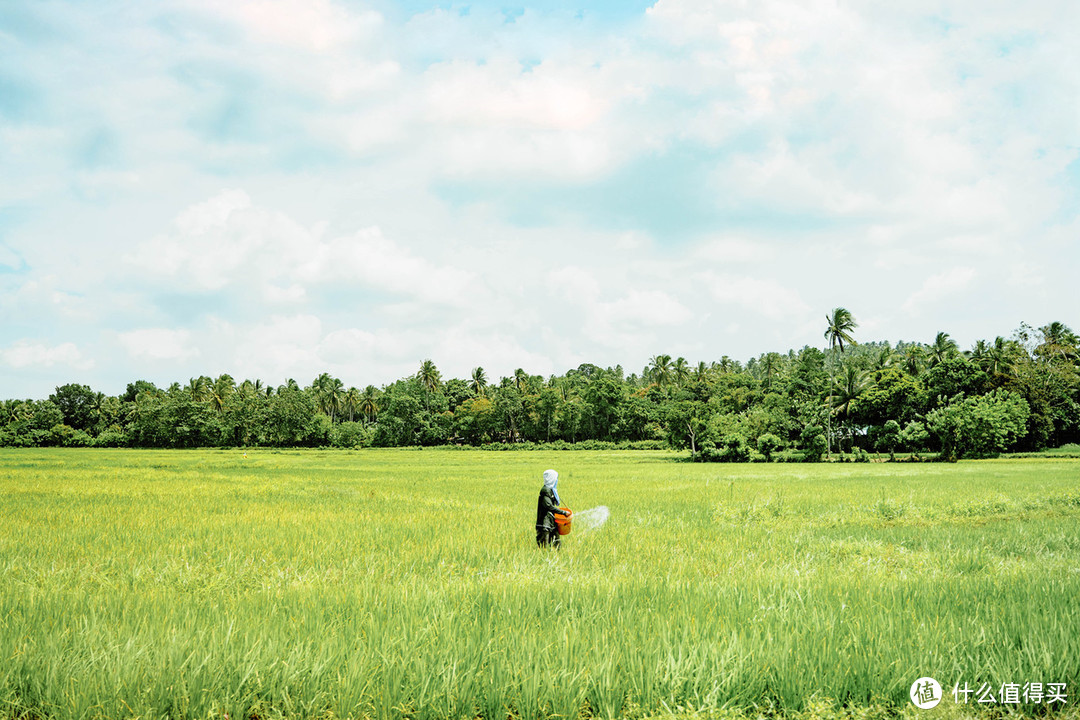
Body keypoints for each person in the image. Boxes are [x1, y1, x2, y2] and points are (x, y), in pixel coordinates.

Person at [536, 469, 570, 548]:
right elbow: (549, 506)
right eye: (555, 478)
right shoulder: (545, 491)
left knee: (557, 544)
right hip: (544, 524)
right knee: (543, 548)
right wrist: (563, 513)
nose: (557, 481)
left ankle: (558, 558)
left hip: (551, 522)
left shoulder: (551, 491)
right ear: (551, 479)